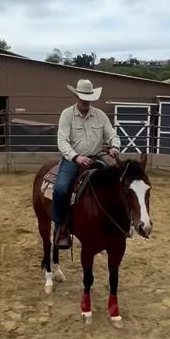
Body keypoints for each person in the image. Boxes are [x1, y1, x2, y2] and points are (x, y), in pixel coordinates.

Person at [53, 79, 121, 247]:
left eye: (88, 98)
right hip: (73, 160)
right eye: (82, 97)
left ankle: (117, 222)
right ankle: (61, 228)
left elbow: (112, 134)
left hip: (96, 157)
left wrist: (115, 146)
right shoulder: (67, 115)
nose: (85, 101)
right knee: (61, 189)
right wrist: (76, 157)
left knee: (116, 184)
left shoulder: (100, 115)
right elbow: (62, 141)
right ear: (76, 97)